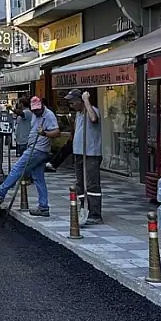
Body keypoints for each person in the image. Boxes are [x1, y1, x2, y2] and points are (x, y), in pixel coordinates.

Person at [0, 96, 59, 216]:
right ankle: (43, 207)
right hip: (35, 148)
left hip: (38, 149)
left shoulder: (49, 115)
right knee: (39, 179)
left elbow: (56, 132)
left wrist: (44, 133)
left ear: (42, 106)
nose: (36, 112)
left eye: (38, 110)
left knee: (17, 168)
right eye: (34, 110)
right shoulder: (35, 113)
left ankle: (1, 193)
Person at [65, 89, 103, 224]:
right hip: (79, 153)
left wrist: (87, 100)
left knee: (92, 183)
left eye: (73, 102)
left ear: (80, 101)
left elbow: (94, 119)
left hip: (90, 153)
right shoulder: (78, 114)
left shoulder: (91, 110)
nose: (71, 105)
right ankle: (83, 207)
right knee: (80, 183)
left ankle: (95, 214)